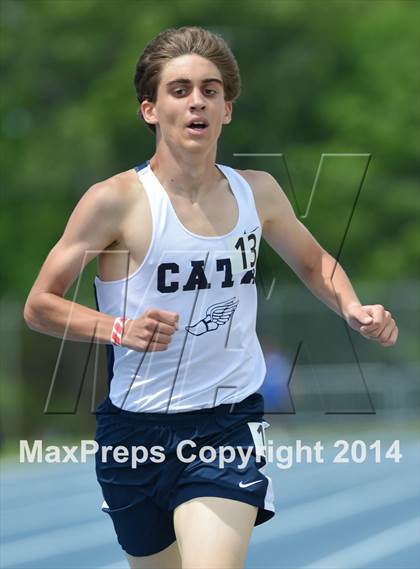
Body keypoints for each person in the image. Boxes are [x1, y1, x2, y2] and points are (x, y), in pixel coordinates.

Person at [24, 26, 399, 569]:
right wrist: (119, 329)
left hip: (227, 425)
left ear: (227, 109)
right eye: (179, 90)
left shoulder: (258, 192)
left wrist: (352, 306)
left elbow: (315, 262)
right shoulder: (115, 202)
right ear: (150, 110)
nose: (196, 100)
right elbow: (40, 304)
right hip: (135, 433)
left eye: (210, 89)